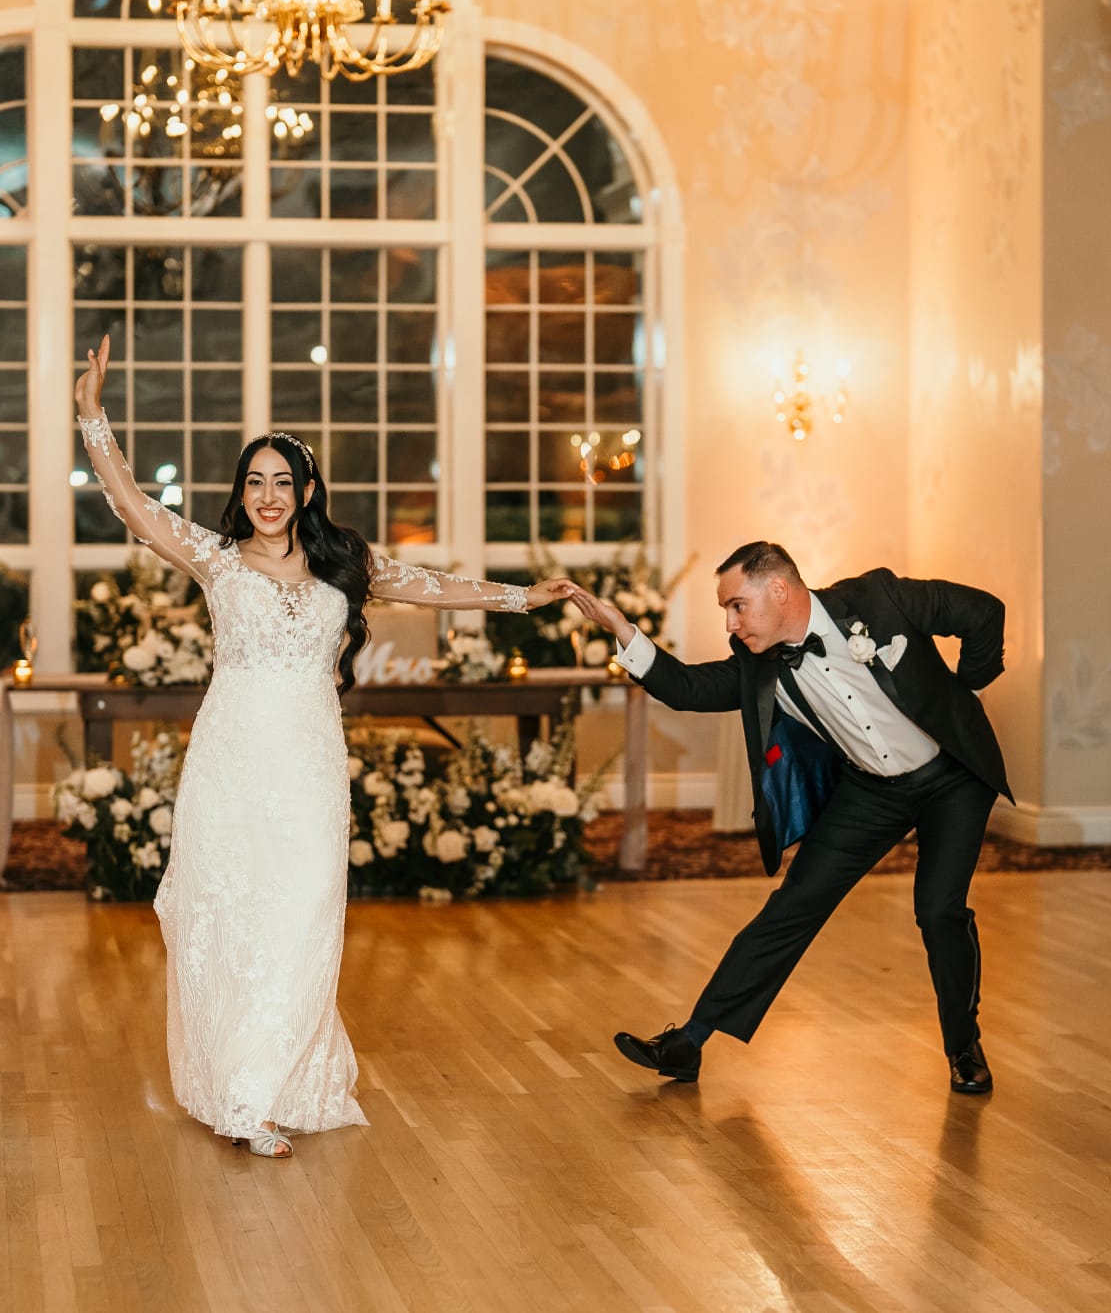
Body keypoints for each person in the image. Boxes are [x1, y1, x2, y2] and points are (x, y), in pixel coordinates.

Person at [75, 335, 574, 1158]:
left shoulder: (346, 564)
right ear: (242, 492)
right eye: (254, 482)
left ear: (307, 491)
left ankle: (281, 1080)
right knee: (231, 917)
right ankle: (242, 1093)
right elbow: (133, 505)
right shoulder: (217, 559)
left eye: (283, 482)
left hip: (308, 766)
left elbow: (440, 587)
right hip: (231, 762)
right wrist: (94, 418)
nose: (268, 496)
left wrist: (526, 596)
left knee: (302, 915)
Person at [566, 540, 1012, 1095]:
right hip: (872, 790)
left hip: (951, 778)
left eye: (736, 606)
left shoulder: (880, 598)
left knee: (938, 910)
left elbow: (983, 611)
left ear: (778, 589)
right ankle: (690, 1042)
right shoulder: (759, 666)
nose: (731, 623)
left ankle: (963, 1045)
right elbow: (686, 688)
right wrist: (619, 627)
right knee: (791, 907)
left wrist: (963, 690)